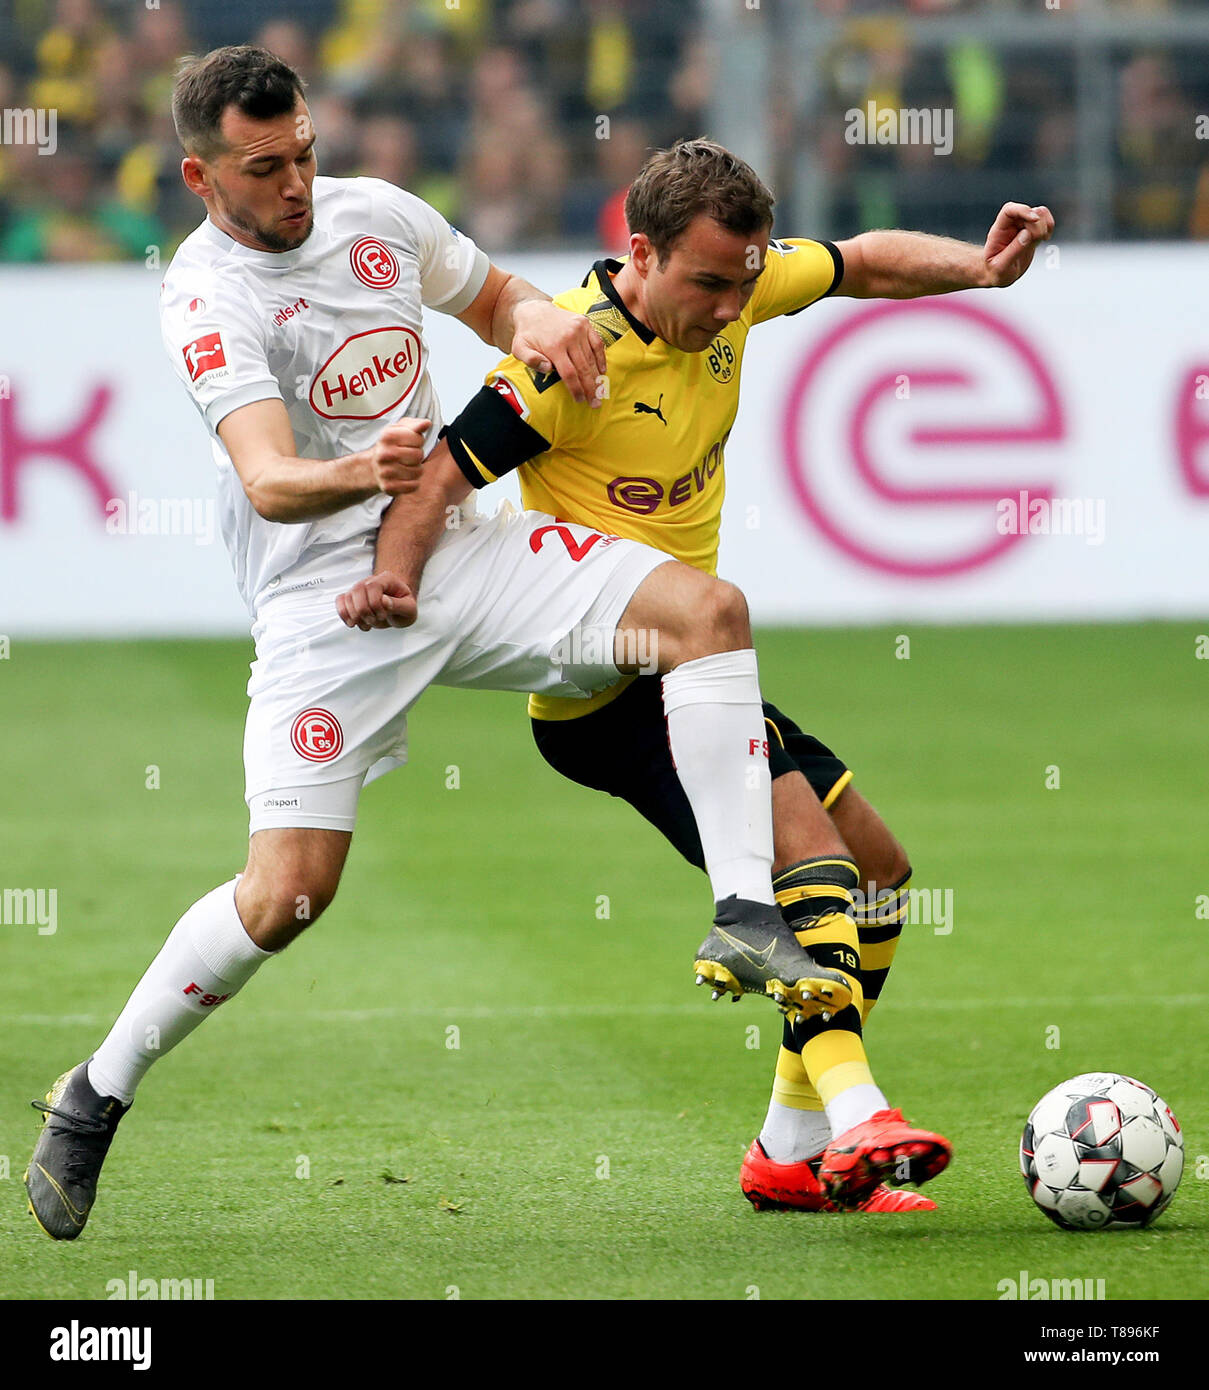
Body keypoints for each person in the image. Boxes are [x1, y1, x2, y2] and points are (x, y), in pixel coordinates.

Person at [24, 58, 844, 1243]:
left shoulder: (375, 214)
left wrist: (546, 322)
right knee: (288, 895)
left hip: (463, 544)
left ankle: (744, 909)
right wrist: (366, 468)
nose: (299, 181)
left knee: (708, 614)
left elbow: (498, 296)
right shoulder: (204, 298)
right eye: (267, 167)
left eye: (304, 150)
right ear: (202, 176)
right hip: (321, 599)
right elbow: (267, 477)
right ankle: (93, 1097)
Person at [338, 138, 1054, 1211]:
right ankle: (862, 1122)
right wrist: (394, 579)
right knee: (806, 859)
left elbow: (859, 260)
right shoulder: (566, 359)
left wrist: (981, 270)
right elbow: (441, 472)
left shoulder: (740, 285)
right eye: (710, 283)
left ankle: (785, 1147)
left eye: (744, 280)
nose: (731, 307)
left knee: (878, 874)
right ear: (643, 251)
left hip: (694, 669)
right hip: (602, 692)